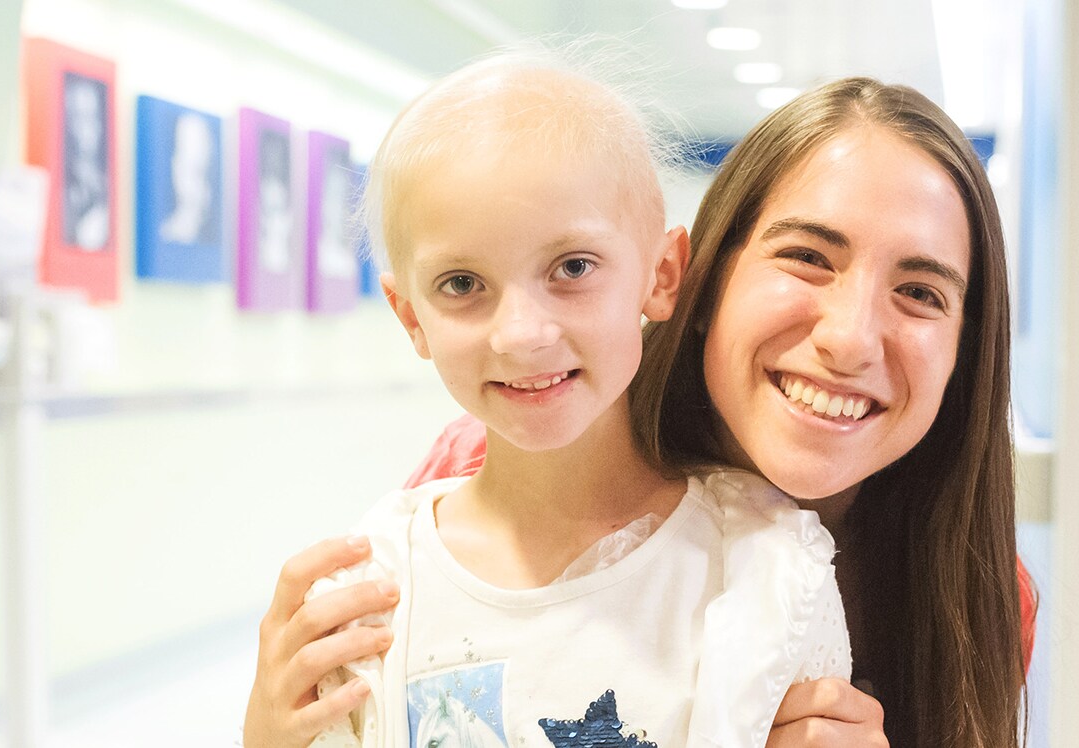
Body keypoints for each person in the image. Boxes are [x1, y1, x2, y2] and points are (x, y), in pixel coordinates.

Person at [398, 78, 1038, 747]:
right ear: (699, 282)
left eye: (918, 292)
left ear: (966, 350)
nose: (848, 339)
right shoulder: (487, 476)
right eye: (808, 258)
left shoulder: (975, 600)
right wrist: (277, 723)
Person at [244, 47, 852, 748]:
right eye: (462, 284)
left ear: (660, 275)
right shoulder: (366, 597)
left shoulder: (764, 570)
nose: (522, 335)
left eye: (572, 267)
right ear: (411, 317)